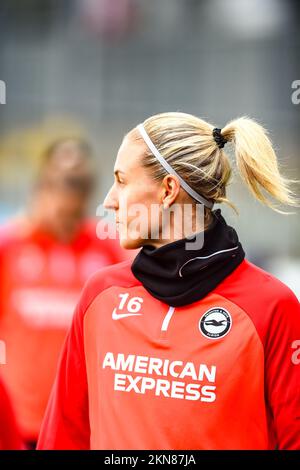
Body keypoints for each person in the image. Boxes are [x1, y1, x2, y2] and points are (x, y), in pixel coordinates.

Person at [37, 113, 300, 450]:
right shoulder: (100, 295)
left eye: (121, 180)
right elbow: (63, 437)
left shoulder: (270, 306)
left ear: (167, 190)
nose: (109, 200)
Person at [0, 137, 131, 447]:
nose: (69, 196)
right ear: (41, 184)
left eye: (79, 184)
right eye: (61, 182)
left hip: (78, 425)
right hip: (16, 423)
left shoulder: (108, 250)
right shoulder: (10, 246)